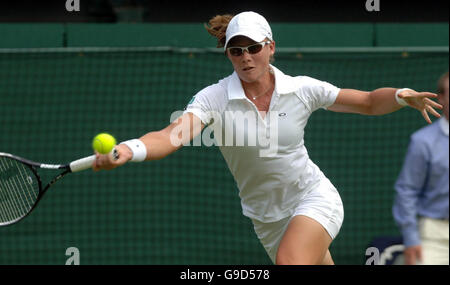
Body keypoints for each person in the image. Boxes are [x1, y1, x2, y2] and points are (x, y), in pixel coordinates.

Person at [93, 11, 443, 265]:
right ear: (229, 54)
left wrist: (399, 95)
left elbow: (366, 102)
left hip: (312, 197)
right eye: (236, 50)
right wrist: (129, 149)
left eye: (253, 48)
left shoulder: (303, 89)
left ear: (270, 47)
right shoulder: (213, 99)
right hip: (267, 219)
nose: (246, 57)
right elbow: (171, 136)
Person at [393, 71, 449, 265]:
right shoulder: (422, 141)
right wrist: (411, 239)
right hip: (435, 236)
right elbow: (407, 190)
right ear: (441, 98)